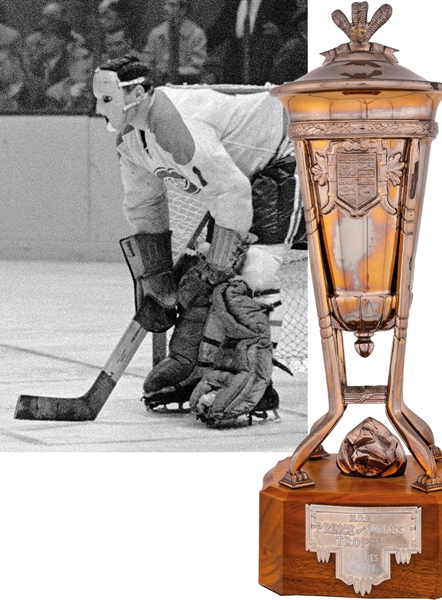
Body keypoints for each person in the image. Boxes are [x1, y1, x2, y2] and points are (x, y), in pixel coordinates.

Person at [92, 55, 304, 427]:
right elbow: (144, 202)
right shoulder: (130, 138)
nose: (98, 108)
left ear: (138, 93)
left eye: (107, 99)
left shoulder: (175, 124)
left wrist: (221, 263)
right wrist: (156, 277)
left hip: (291, 151)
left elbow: (233, 192)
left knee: (250, 275)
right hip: (238, 176)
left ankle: (259, 383)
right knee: (200, 279)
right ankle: (200, 368)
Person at [142, 0, 207, 85]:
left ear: (183, 9)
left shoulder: (196, 35)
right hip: (160, 86)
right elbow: (147, 62)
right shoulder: (157, 34)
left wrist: (173, 72)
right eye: (165, 4)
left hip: (187, 86)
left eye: (172, 5)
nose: (166, 8)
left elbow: (197, 68)